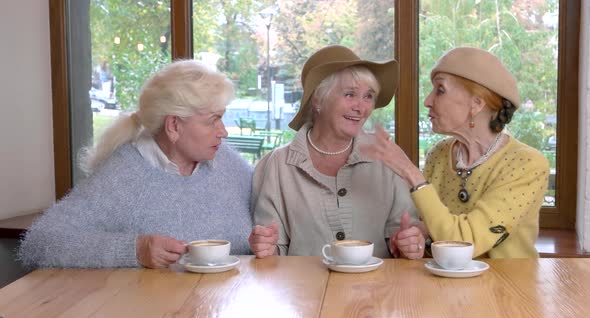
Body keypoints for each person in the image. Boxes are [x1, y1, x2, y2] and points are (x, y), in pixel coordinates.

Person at [18, 60, 253, 269]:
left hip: (224, 308)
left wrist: (262, 242)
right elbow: (41, 242)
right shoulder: (122, 174)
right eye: (213, 120)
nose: (223, 132)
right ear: (173, 126)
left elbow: (258, 230)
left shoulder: (229, 164)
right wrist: (134, 250)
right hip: (151, 313)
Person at [362, 47, 549, 258]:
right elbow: (438, 226)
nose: (428, 101)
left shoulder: (526, 164)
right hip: (446, 288)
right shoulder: (439, 154)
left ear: (476, 104)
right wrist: (417, 238)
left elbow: (464, 243)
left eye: (440, 90)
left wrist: (410, 172)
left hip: (506, 289)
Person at [248, 45, 425, 259]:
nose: (361, 107)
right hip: (304, 290)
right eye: (350, 94)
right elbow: (273, 250)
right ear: (318, 100)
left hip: (376, 290)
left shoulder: (384, 158)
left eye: (368, 96)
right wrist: (266, 247)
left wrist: (408, 243)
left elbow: (404, 237)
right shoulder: (277, 165)